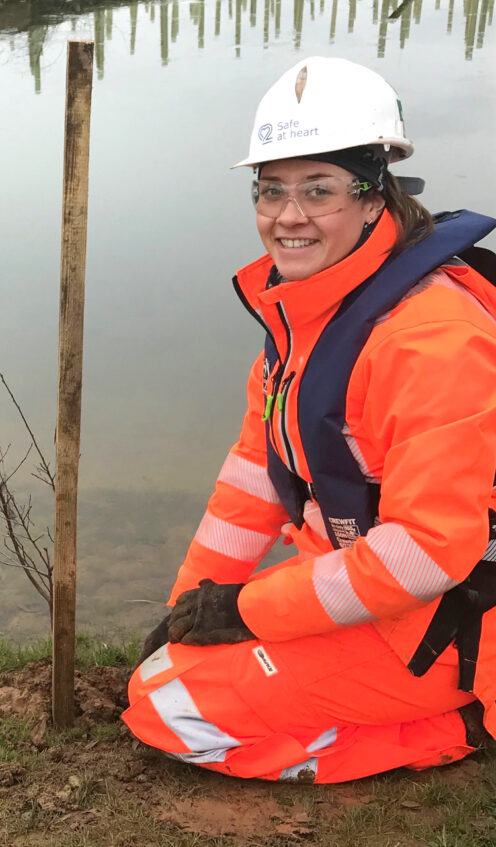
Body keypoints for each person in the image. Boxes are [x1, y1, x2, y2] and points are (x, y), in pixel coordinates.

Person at [122, 56, 496, 783]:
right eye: (271, 191)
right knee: (171, 668)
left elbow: (424, 554)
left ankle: (459, 722)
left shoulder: (431, 338)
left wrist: (250, 609)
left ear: (372, 197)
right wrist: (188, 610)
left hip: (452, 626)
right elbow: (250, 483)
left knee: (166, 709)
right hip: (371, 602)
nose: (287, 217)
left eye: (318, 190)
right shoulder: (304, 319)